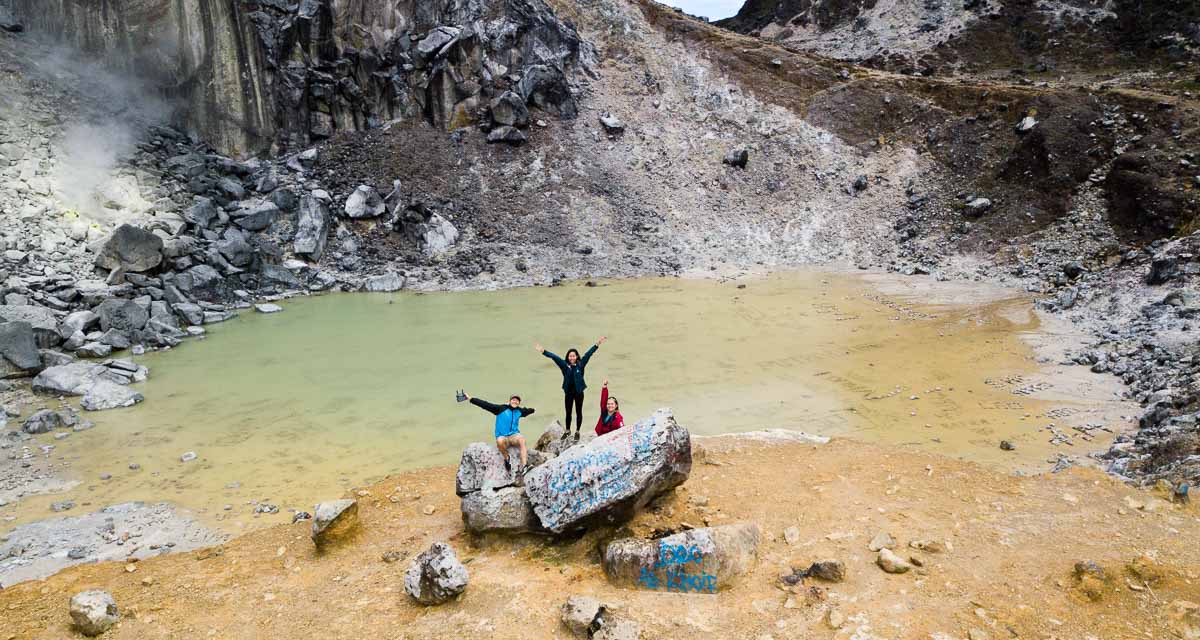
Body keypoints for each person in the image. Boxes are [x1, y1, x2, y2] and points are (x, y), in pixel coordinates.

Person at [536, 336, 606, 441]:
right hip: (568, 392)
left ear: (577, 356)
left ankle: (577, 431)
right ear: (568, 357)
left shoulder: (581, 364)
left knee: (579, 412)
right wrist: (543, 351)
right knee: (568, 412)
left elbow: (588, 354)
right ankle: (568, 431)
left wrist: (597, 344)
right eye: (570, 356)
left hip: (579, 392)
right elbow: (554, 357)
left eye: (574, 356)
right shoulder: (564, 365)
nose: (572, 357)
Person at [462, 391, 535, 473]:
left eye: (517, 400)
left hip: (513, 436)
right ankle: (507, 458)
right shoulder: (500, 409)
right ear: (509, 401)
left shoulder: (519, 411)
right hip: (502, 436)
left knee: (522, 440)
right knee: (499, 441)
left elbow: (529, 411)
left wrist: (533, 410)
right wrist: (471, 399)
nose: (515, 401)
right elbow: (485, 405)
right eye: (513, 400)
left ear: (519, 403)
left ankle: (524, 466)